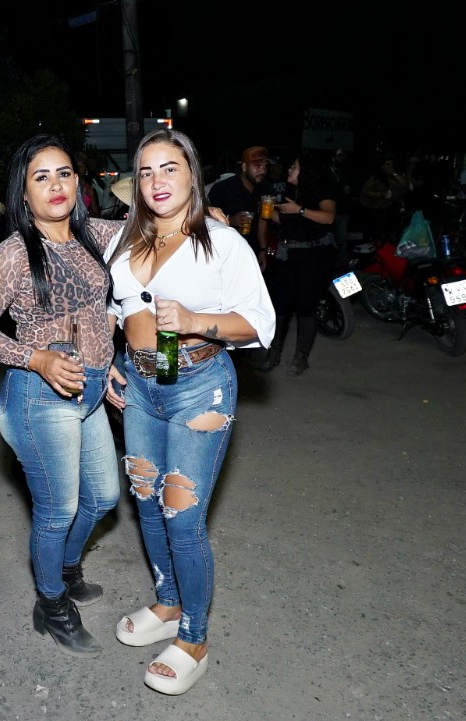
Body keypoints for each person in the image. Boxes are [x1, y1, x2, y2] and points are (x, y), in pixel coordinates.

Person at [103, 128, 274, 695]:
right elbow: (115, 307)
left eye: (169, 168)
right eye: (146, 171)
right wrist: (108, 360)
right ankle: (169, 604)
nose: (157, 181)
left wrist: (198, 321)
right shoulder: (124, 238)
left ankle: (195, 639)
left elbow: (259, 324)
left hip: (199, 387)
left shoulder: (222, 243)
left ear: (192, 175)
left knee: (181, 515)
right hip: (140, 386)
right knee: (147, 503)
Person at [0, 134, 123, 657]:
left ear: (79, 182)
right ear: (23, 192)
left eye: (64, 174)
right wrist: (36, 358)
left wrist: (208, 216)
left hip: (90, 389)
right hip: (40, 397)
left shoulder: (96, 234)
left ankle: (66, 569)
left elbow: (155, 232)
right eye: (41, 177)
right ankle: (52, 605)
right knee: (58, 509)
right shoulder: (13, 253)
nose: (56, 185)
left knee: (104, 497)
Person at [259, 154, 338, 375]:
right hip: (287, 255)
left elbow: (328, 217)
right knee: (280, 306)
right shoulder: (288, 191)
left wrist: (300, 210)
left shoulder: (322, 190)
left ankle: (301, 357)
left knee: (306, 307)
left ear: (306, 172)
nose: (289, 169)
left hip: (314, 256)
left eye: (294, 166)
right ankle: (273, 354)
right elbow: (283, 219)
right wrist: (268, 211)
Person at [207, 146, 275, 260]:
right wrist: (231, 220)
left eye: (265, 166)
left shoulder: (265, 188)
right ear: (244, 167)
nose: (263, 170)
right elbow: (206, 221)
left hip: (252, 250)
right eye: (257, 166)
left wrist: (263, 250)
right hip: (226, 251)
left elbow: (263, 221)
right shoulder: (223, 188)